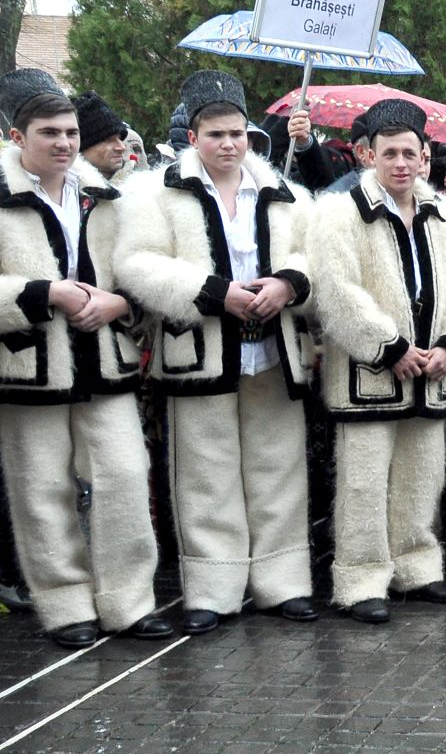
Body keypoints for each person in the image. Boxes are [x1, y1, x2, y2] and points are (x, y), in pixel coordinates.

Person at [115, 79, 318, 632]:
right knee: (205, 474)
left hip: (274, 351)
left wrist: (289, 283)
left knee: (279, 470)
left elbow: (315, 254)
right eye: (215, 135)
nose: (228, 144)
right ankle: (213, 589)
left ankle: (284, 583)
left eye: (236, 134)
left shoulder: (287, 193)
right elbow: (136, 264)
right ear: (193, 136)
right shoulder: (154, 193)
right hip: (200, 350)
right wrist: (213, 292)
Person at [0, 91, 166, 647]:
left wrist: (121, 303)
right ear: (18, 137)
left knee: (125, 475)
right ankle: (65, 605)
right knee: (42, 490)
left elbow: (140, 270)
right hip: (29, 366)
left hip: (105, 361)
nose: (64, 143)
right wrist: (46, 292)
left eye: (71, 132)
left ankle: (129, 603)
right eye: (49, 132)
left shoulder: (108, 197)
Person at [307, 100, 446, 624]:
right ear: (368, 155)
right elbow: (337, 291)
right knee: (363, 483)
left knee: (421, 476)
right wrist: (389, 347)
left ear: (426, 157)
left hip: (432, 370)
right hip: (369, 372)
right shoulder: (337, 213)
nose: (401, 163)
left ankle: (416, 566)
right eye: (390, 154)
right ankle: (361, 579)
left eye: (410, 153)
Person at [73, 91, 133, 182]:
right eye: (107, 140)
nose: (122, 147)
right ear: (80, 147)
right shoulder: (63, 189)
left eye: (120, 138)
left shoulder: (142, 187)